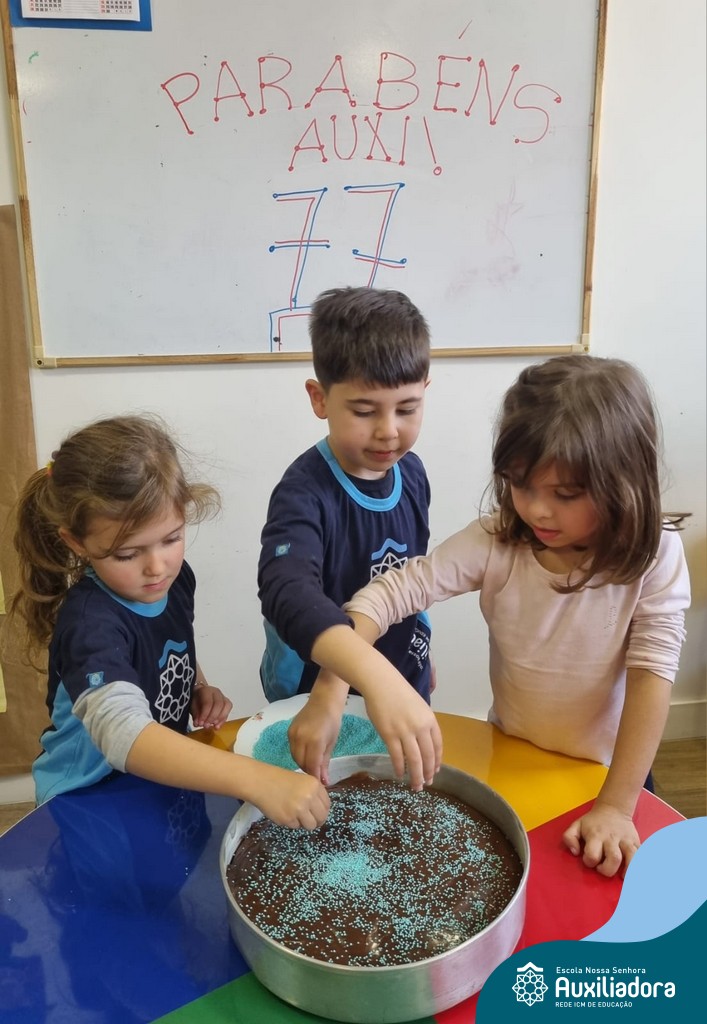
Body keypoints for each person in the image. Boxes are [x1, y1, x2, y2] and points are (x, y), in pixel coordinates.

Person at [298, 355, 691, 877]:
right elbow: (389, 593)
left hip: (610, 777)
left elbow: (651, 678)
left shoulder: (655, 554)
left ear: (624, 480)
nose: (537, 510)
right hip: (510, 754)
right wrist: (332, 686)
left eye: (565, 494)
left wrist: (618, 806)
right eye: (520, 485)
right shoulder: (498, 540)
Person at [8, 414, 329, 829]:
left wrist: (194, 685)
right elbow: (123, 732)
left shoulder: (175, 582)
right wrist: (258, 779)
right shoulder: (89, 623)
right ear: (77, 542)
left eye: (172, 538)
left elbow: (165, 642)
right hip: (88, 801)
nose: (157, 567)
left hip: (155, 784)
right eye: (127, 554)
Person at [257, 286, 440, 781]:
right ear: (320, 399)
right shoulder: (302, 493)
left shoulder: (413, 473)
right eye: (364, 411)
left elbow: (413, 578)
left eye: (407, 408)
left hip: (398, 678)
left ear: (425, 389)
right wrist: (335, 689)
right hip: (314, 694)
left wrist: (420, 653)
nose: (388, 431)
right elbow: (287, 592)